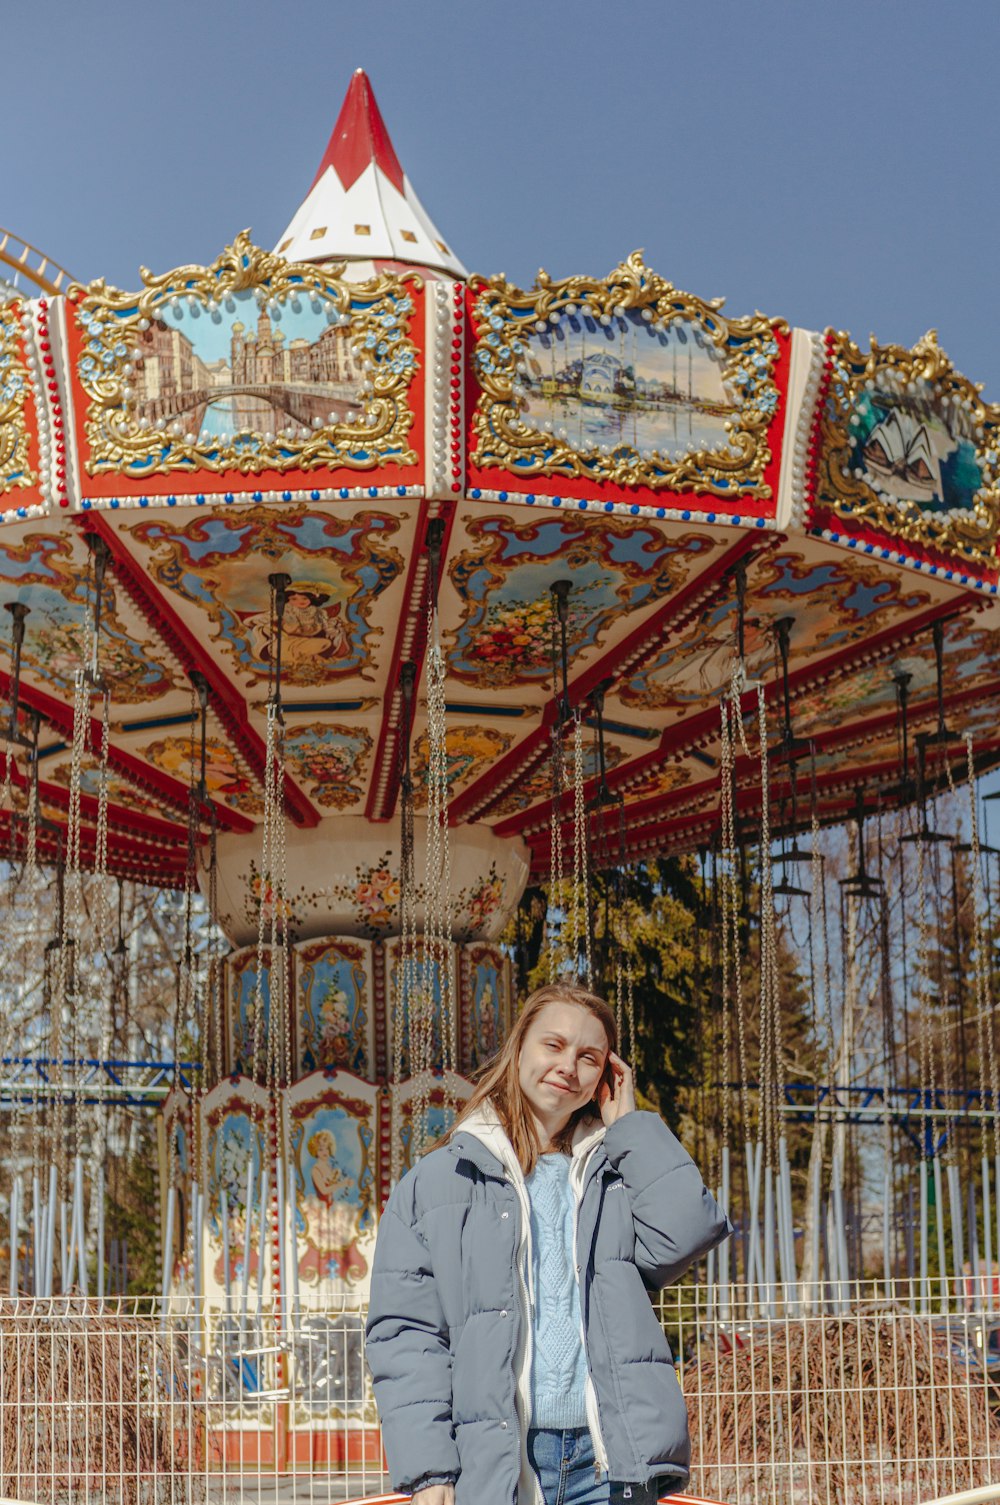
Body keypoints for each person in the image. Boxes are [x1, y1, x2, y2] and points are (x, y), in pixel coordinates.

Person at [365, 980, 730, 1505]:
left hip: (606, 1459)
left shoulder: (614, 1173)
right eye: (553, 1045)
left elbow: (687, 1234)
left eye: (589, 1056)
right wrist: (429, 1470)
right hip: (497, 1461)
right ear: (519, 1050)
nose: (568, 1066)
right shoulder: (440, 1181)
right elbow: (406, 1333)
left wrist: (629, 1128)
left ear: (606, 1075)